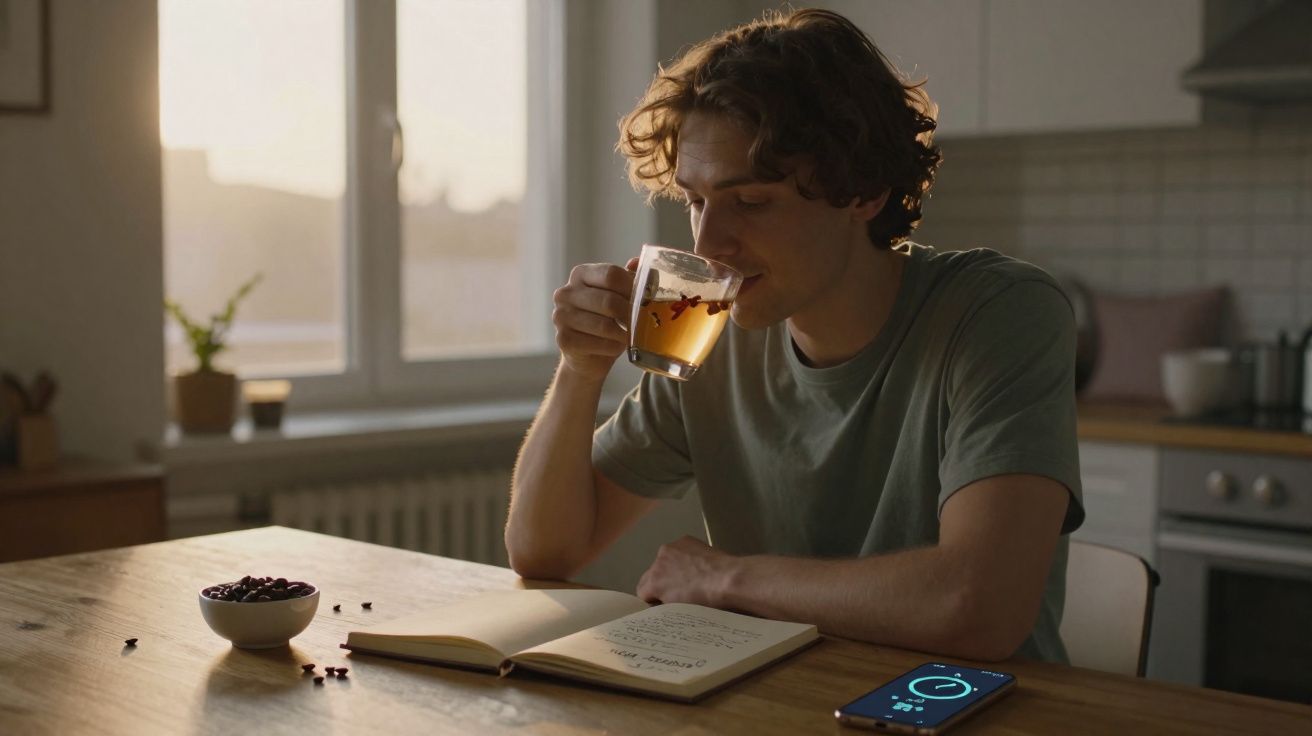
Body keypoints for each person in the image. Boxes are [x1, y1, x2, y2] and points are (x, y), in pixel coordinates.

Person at [505, 7, 1083, 663]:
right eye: (695, 201)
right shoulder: (710, 335)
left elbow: (977, 609)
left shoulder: (998, 313)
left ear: (863, 190)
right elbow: (543, 550)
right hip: (782, 698)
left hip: (969, 708)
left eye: (750, 202)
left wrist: (725, 579)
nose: (708, 245)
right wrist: (581, 370)